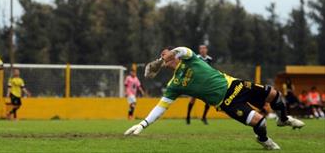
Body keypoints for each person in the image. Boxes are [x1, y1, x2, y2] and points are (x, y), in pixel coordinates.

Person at [124, 47, 305, 150]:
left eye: (170, 54)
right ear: (165, 64)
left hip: (235, 85)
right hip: (227, 103)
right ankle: (264, 140)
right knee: (260, 122)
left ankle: (283, 119)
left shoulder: (190, 58)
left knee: (274, 94)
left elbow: (182, 49)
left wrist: (166, 56)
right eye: (165, 57)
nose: (169, 56)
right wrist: (142, 124)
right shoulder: (174, 85)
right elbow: (161, 107)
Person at [186, 44, 212, 125]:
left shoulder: (209, 59)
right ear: (199, 50)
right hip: (197, 82)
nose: (202, 50)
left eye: (204, 48)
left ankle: (204, 117)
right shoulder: (196, 58)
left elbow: (210, 70)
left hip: (206, 83)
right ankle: (188, 117)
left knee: (208, 101)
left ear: (206, 50)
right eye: (201, 49)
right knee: (193, 99)